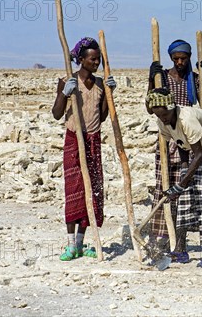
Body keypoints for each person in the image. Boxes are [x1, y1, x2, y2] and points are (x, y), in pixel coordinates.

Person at [147, 88, 202, 267]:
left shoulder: (186, 119)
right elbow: (180, 142)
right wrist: (185, 170)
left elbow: (199, 154)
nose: (162, 118)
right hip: (197, 153)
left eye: (165, 114)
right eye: (158, 115)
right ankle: (180, 250)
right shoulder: (162, 122)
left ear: (172, 108)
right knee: (185, 199)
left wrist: (181, 184)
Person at [52, 37, 116, 261]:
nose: (96, 63)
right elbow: (57, 113)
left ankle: (82, 241)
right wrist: (64, 93)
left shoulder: (99, 83)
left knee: (93, 190)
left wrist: (109, 95)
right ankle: (70, 244)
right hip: (74, 140)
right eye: (92, 59)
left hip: (93, 140)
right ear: (81, 60)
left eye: (98, 59)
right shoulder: (67, 81)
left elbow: (103, 116)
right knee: (74, 190)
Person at [145, 39, 202, 262]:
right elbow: (150, 106)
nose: (180, 62)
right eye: (176, 59)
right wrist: (151, 83)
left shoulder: (195, 79)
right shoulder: (162, 78)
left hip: (189, 138)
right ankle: (160, 239)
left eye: (184, 59)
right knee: (163, 189)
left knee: (183, 193)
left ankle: (180, 243)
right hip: (167, 138)